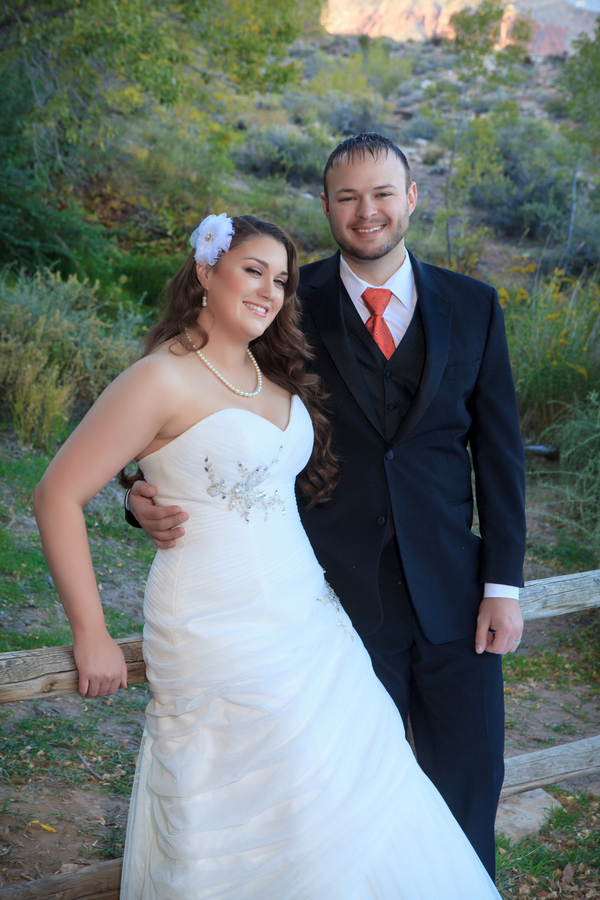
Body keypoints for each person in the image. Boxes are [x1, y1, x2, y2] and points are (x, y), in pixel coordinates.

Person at [35, 213, 502, 898]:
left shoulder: (271, 373)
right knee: (255, 814)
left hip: (311, 626)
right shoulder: (158, 379)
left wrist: (145, 487)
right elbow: (55, 495)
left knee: (349, 798)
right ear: (204, 271)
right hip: (215, 627)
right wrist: (91, 631)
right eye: (252, 270)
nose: (270, 291)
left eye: (281, 280)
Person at [128, 134, 527, 880]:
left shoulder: (475, 305)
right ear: (326, 207)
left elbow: (499, 456)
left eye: (381, 194)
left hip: (459, 600)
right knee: (339, 811)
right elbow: (194, 400)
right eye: (347, 197)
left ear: (411, 198)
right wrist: (142, 492)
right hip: (328, 602)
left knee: (467, 796)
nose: (365, 211)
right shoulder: (282, 300)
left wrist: (503, 583)